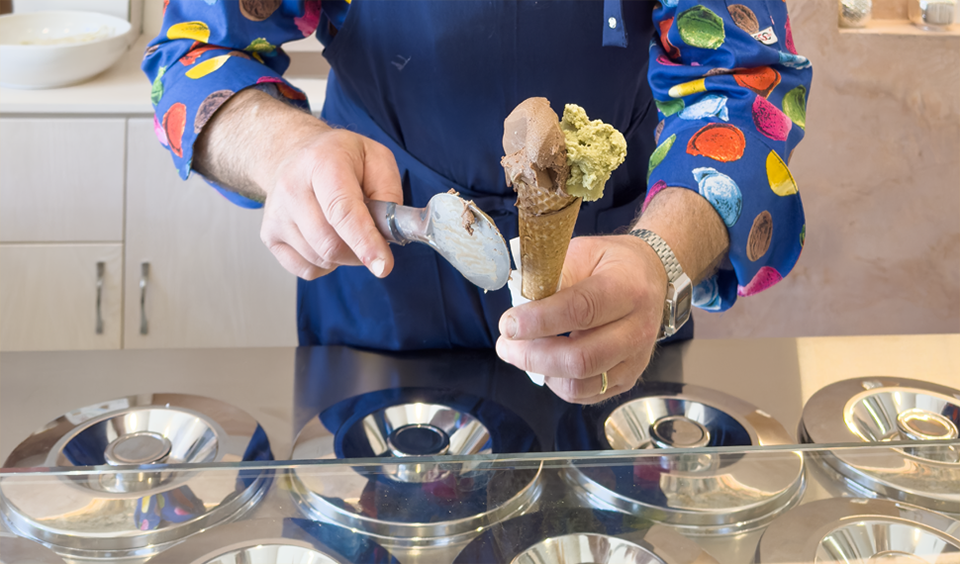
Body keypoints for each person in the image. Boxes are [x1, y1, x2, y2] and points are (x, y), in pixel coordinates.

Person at [144, 0, 810, 405]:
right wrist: (286, 149)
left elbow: (743, 85)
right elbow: (197, 52)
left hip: (615, 301)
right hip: (380, 299)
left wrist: (662, 255)